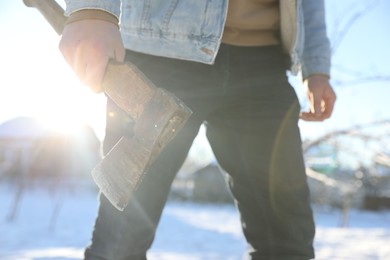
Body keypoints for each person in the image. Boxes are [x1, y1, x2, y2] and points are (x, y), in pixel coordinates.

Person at [59, 0, 336, 259]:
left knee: (288, 241)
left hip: (264, 65)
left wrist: (316, 66)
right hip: (162, 47)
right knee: (121, 235)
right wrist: (91, 9)